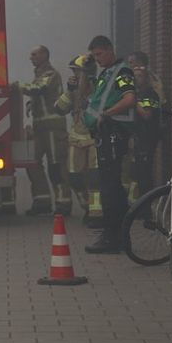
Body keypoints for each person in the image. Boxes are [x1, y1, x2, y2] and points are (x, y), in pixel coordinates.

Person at [82, 35, 137, 254]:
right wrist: (87, 72)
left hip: (114, 133)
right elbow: (87, 95)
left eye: (99, 54)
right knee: (110, 185)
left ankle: (112, 237)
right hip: (104, 134)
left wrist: (106, 114)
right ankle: (117, 235)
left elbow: (129, 98)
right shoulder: (105, 73)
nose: (98, 59)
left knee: (110, 187)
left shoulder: (122, 72)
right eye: (94, 56)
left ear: (109, 49)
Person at [19, 46, 70, 216]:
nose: (30, 57)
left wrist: (17, 86)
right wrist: (30, 104)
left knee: (56, 165)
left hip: (53, 129)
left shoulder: (51, 74)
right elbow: (39, 95)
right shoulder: (39, 75)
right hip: (39, 129)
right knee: (32, 162)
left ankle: (63, 203)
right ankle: (42, 200)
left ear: (44, 55)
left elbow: (39, 89)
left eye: (34, 54)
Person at [55, 53, 103, 228]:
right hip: (76, 139)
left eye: (77, 71)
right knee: (74, 177)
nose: (74, 75)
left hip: (95, 139)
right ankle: (86, 206)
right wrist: (69, 91)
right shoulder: (73, 90)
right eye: (74, 72)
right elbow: (59, 109)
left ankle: (97, 214)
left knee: (95, 179)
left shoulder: (99, 87)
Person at [128, 51, 162, 199]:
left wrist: (133, 101)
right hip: (138, 138)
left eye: (140, 76)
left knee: (144, 175)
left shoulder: (149, 94)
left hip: (147, 139)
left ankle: (146, 209)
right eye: (135, 77)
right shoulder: (138, 92)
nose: (137, 79)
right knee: (137, 173)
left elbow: (147, 115)